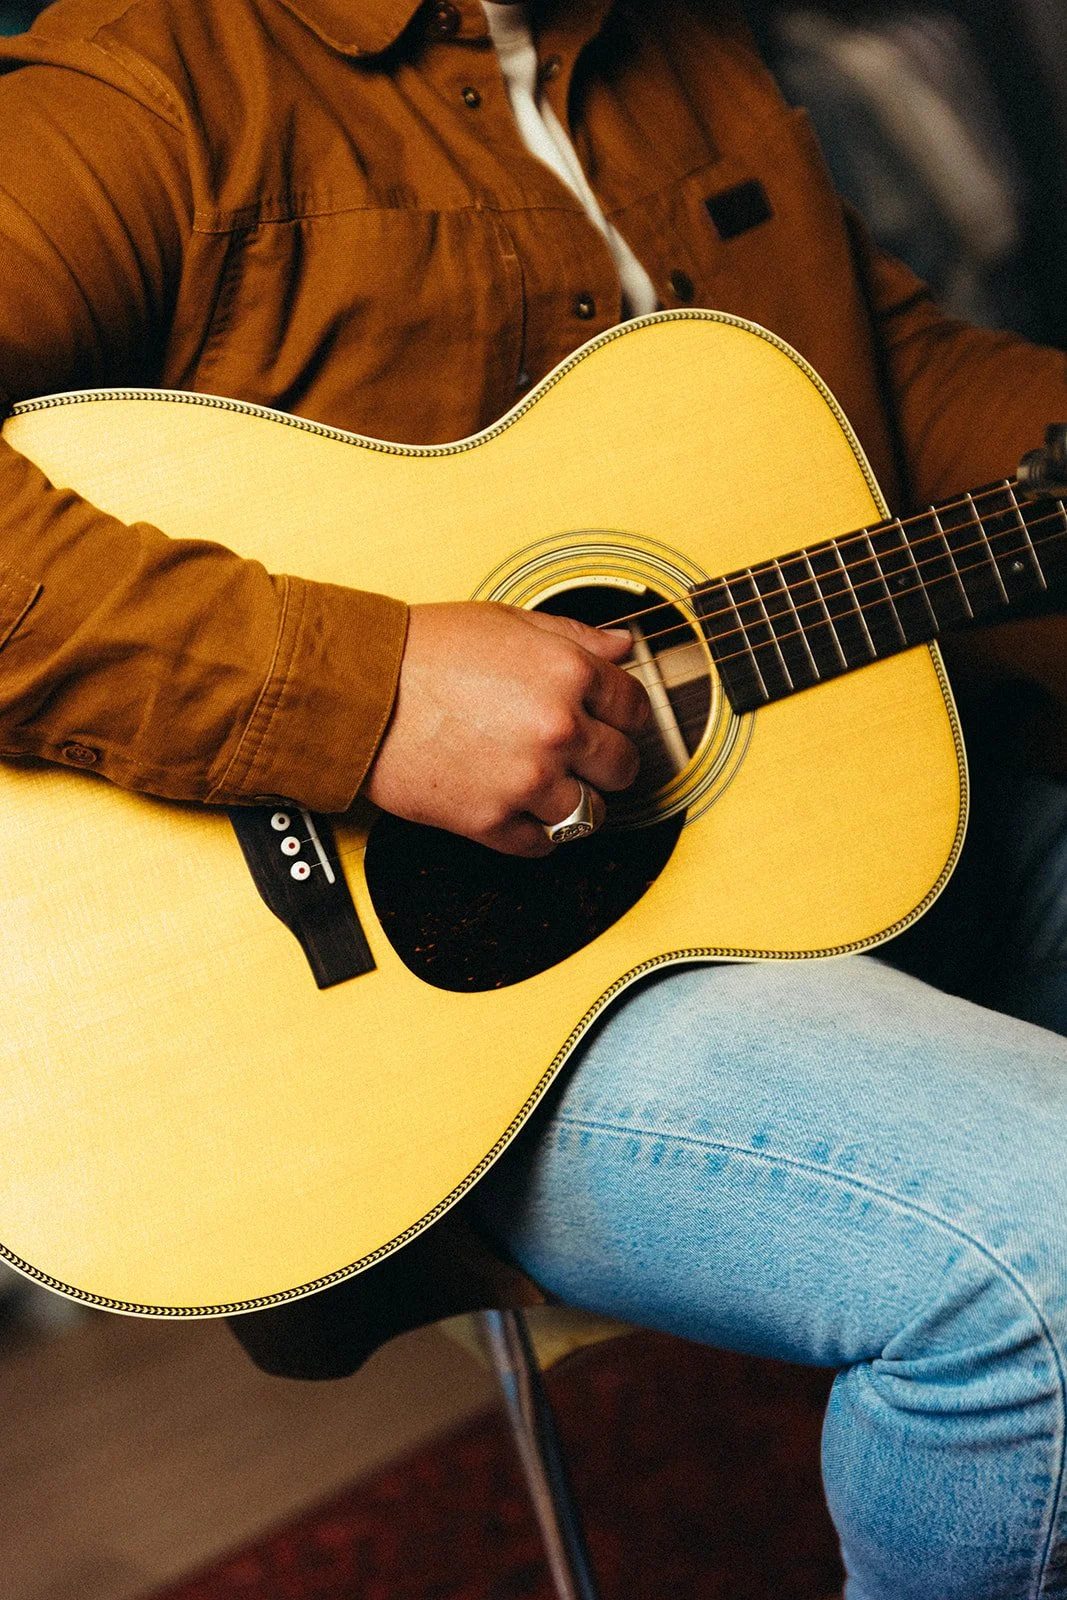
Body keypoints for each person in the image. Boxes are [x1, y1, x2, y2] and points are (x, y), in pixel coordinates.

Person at [3, 0, 1067, 1593]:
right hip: (413, 997)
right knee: (1042, 1258)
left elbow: (875, 394)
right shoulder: (146, 83)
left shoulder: (681, 48)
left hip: (811, 808)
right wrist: (366, 698)